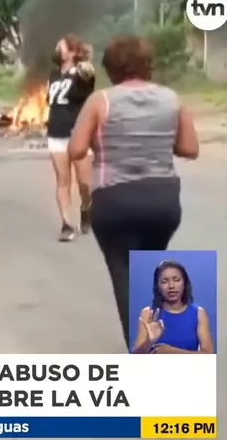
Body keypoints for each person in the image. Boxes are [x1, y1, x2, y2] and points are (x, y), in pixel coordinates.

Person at [68, 35, 199, 348]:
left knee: (126, 276)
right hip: (162, 202)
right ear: (147, 64)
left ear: (111, 68)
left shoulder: (100, 101)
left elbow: (75, 149)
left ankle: (145, 355)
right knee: (152, 275)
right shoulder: (172, 99)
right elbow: (189, 148)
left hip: (116, 204)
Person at [45, 35, 96, 242]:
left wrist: (85, 67)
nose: (57, 49)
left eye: (61, 46)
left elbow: (89, 79)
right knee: (62, 181)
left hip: (78, 133)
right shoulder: (53, 75)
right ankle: (67, 224)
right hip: (56, 133)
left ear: (72, 53)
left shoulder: (81, 73)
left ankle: (86, 207)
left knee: (85, 183)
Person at [131, 260, 214, 354]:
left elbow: (208, 355)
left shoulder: (198, 313)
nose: (171, 286)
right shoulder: (148, 313)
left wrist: (171, 352)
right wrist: (149, 341)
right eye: (164, 281)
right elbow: (135, 359)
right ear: (158, 286)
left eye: (176, 280)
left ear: (184, 284)